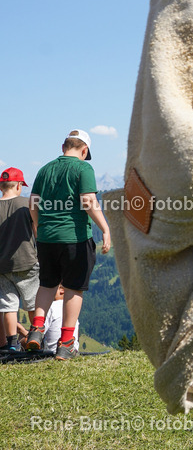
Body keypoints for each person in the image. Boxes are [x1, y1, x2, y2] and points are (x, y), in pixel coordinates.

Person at [27, 129, 110, 360]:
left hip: (46, 238)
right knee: (74, 288)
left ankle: (36, 330)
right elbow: (88, 200)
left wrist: (37, 228)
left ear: (63, 147)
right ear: (84, 150)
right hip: (74, 238)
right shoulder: (84, 168)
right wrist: (105, 228)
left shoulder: (44, 169)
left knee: (47, 284)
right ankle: (65, 343)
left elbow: (33, 203)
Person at [0, 167, 39, 353]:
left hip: (2, 266)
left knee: (8, 307)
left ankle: (12, 344)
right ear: (17, 185)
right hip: (27, 262)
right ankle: (35, 340)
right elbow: (38, 230)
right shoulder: (26, 204)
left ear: (2, 187)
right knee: (32, 304)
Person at [25, 285, 80, 355]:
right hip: (72, 349)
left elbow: (41, 334)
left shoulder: (51, 307)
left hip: (52, 351)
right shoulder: (71, 310)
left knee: (24, 339)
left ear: (62, 290)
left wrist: (21, 331)